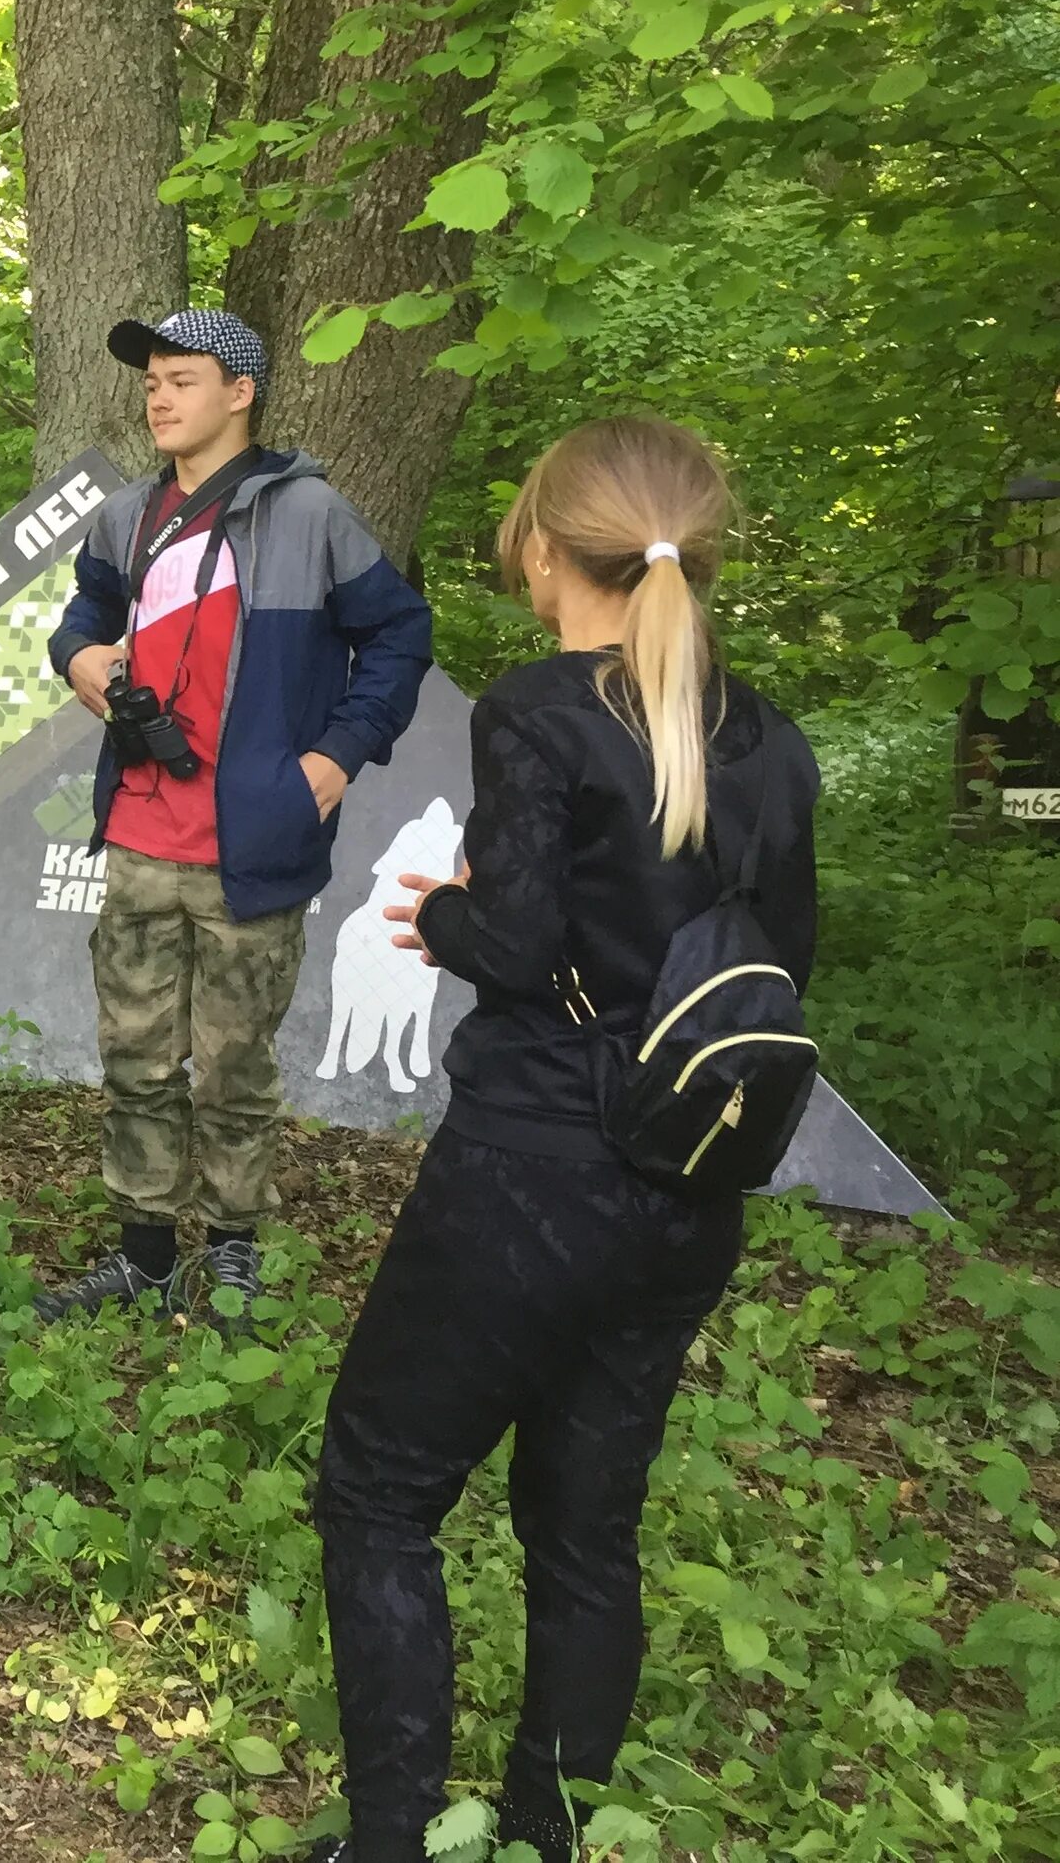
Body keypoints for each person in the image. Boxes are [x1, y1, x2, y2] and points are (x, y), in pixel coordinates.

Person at [306, 417, 818, 1863]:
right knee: (585, 1531)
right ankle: (548, 1836)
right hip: (688, 1189)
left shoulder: (536, 711)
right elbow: (782, 960)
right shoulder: (771, 739)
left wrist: (443, 914)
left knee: (379, 1486)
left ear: (542, 545)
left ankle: (392, 1838)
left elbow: (522, 937)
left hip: (532, 1168)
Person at [39, 307, 432, 1328]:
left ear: (240, 393)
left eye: (182, 379)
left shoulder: (309, 516)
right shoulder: (127, 515)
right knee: (133, 1054)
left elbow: (399, 636)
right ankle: (142, 1254)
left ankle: (233, 1254)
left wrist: (333, 760)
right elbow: (82, 619)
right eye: (152, 380)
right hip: (137, 832)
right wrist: (79, 656)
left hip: (253, 845)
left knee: (235, 1066)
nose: (158, 396)